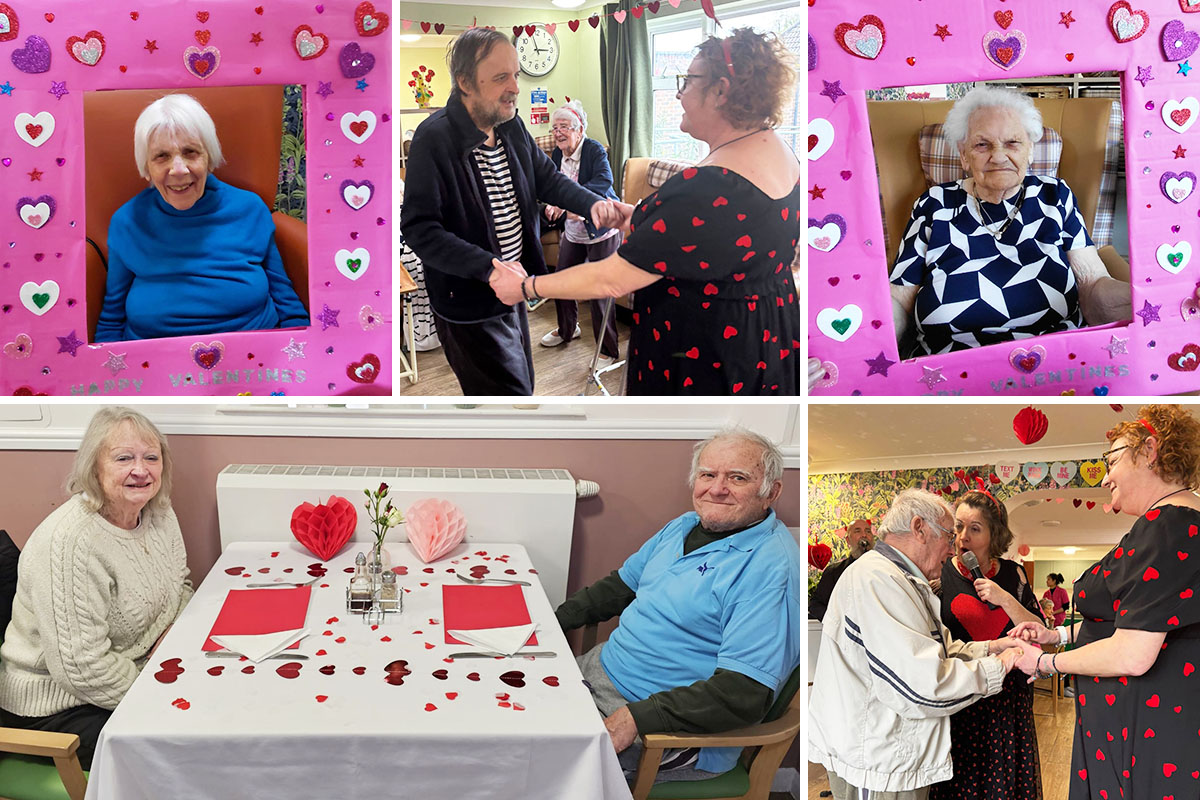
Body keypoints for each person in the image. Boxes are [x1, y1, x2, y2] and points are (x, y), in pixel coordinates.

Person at [490, 28, 801, 395]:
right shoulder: (781, 153)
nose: (679, 93)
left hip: (707, 352)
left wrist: (526, 286)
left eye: (688, 80)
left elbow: (611, 280)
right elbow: (718, 234)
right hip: (766, 335)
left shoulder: (708, 185)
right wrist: (637, 216)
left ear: (721, 91)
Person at [555, 429, 800, 783]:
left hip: (662, 727)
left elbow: (743, 693)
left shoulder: (769, 569)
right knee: (511, 714)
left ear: (771, 492)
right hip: (597, 673)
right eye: (708, 474)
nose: (717, 488)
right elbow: (620, 587)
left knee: (540, 765)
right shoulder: (682, 527)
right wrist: (551, 622)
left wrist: (639, 717)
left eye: (737, 478)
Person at [400, 28, 630, 395]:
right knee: (508, 400)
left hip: (514, 291)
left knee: (523, 389)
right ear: (465, 82)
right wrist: (489, 268)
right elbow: (419, 228)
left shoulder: (511, 125)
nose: (515, 87)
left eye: (516, 75)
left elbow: (548, 179)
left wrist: (593, 204)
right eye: (500, 77)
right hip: (470, 302)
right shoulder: (433, 138)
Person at [1011, 404, 1200, 800]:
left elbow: (1133, 653)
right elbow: (1139, 620)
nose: (1106, 476)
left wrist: (1044, 663)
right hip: (1145, 720)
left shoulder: (1167, 526)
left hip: (1143, 726)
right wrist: (1058, 635)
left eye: (1111, 461)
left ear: (1149, 451)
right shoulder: (1175, 523)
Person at [809, 488, 1033, 800]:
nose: (954, 547)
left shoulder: (903, 579)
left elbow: (940, 648)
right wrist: (1000, 665)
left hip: (896, 757)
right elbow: (923, 686)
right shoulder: (877, 580)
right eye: (950, 534)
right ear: (919, 528)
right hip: (877, 763)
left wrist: (993, 647)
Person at [0, 407, 193, 769]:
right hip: (58, 706)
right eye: (123, 458)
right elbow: (82, 669)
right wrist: (158, 689)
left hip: (136, 670)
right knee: (187, 742)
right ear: (94, 468)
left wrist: (171, 635)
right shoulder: (71, 543)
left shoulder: (159, 513)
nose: (141, 470)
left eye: (151, 457)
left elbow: (180, 586)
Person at [889, 85, 1130, 357]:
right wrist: (867, 334)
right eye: (982, 145)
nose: (998, 156)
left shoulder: (1055, 196)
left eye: (1012, 143)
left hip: (1054, 364)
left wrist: (1147, 301)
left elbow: (1093, 284)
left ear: (1030, 150)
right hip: (947, 369)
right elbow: (899, 299)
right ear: (964, 155)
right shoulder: (934, 203)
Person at [95, 93, 308, 342]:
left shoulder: (250, 209)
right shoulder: (126, 222)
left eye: (190, 152)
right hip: (153, 358)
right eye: (161, 156)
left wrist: (302, 350)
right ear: (146, 167)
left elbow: (285, 298)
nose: (178, 170)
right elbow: (112, 315)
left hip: (253, 353)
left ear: (209, 158)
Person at [929, 488, 1043, 800]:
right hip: (961, 697)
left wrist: (1004, 598)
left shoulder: (1014, 574)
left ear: (994, 535)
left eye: (975, 528)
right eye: (958, 527)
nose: (962, 537)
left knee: (1004, 784)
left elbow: (1039, 632)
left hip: (1007, 699)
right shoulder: (939, 574)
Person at [538, 100, 623, 369]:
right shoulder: (557, 154)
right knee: (562, 281)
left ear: (579, 129)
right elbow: (551, 185)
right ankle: (567, 330)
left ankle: (608, 351)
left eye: (564, 127)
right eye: (555, 128)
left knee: (599, 292)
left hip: (601, 230)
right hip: (574, 231)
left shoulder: (594, 149)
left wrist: (569, 204)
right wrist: (551, 203)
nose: (558, 133)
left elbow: (604, 181)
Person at [808, 518, 874, 620]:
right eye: (857, 531)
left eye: (868, 531)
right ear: (848, 540)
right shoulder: (833, 572)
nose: (864, 535)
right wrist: (836, 622)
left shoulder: (884, 569)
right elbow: (816, 605)